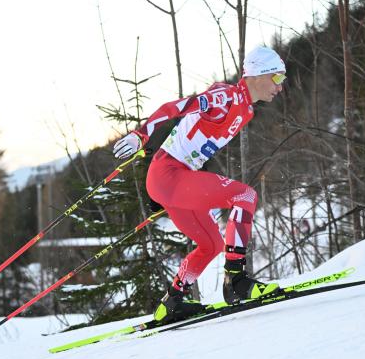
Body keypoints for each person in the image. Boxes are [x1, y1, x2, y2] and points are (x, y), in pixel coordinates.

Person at [113, 45, 287, 322]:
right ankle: (236, 282)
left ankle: (171, 302)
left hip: (175, 180)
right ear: (257, 75)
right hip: (169, 174)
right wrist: (140, 135)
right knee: (245, 196)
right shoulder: (225, 97)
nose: (280, 86)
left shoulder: (247, 111)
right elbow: (174, 108)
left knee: (211, 245)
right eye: (277, 77)